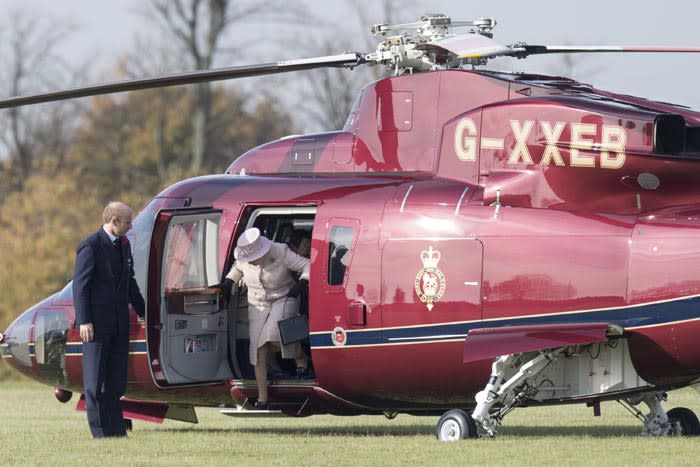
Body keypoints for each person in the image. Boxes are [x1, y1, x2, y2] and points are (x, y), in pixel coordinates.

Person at [73, 201, 145, 438]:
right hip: (95, 326)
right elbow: (80, 287)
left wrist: (144, 311)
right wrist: (84, 321)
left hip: (119, 325)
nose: (130, 226)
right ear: (114, 221)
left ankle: (116, 431)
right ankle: (99, 432)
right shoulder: (90, 246)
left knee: (115, 382)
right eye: (127, 222)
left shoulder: (124, 245)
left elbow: (130, 282)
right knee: (94, 383)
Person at [222, 227, 309, 409]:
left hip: (285, 296)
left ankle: (300, 357)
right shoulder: (243, 259)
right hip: (257, 303)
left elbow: (306, 264)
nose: (250, 262)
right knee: (257, 349)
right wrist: (228, 282)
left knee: (274, 335)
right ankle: (262, 398)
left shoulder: (279, 250)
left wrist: (302, 282)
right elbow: (237, 269)